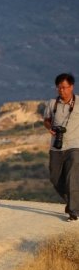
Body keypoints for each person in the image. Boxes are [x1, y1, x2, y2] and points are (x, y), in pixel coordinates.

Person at [43, 73, 78, 221]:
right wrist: (49, 128)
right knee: (54, 178)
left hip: (75, 146)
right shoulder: (52, 103)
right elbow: (46, 120)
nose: (61, 90)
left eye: (64, 87)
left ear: (71, 87)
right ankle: (73, 201)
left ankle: (73, 211)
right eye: (59, 88)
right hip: (56, 147)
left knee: (72, 177)